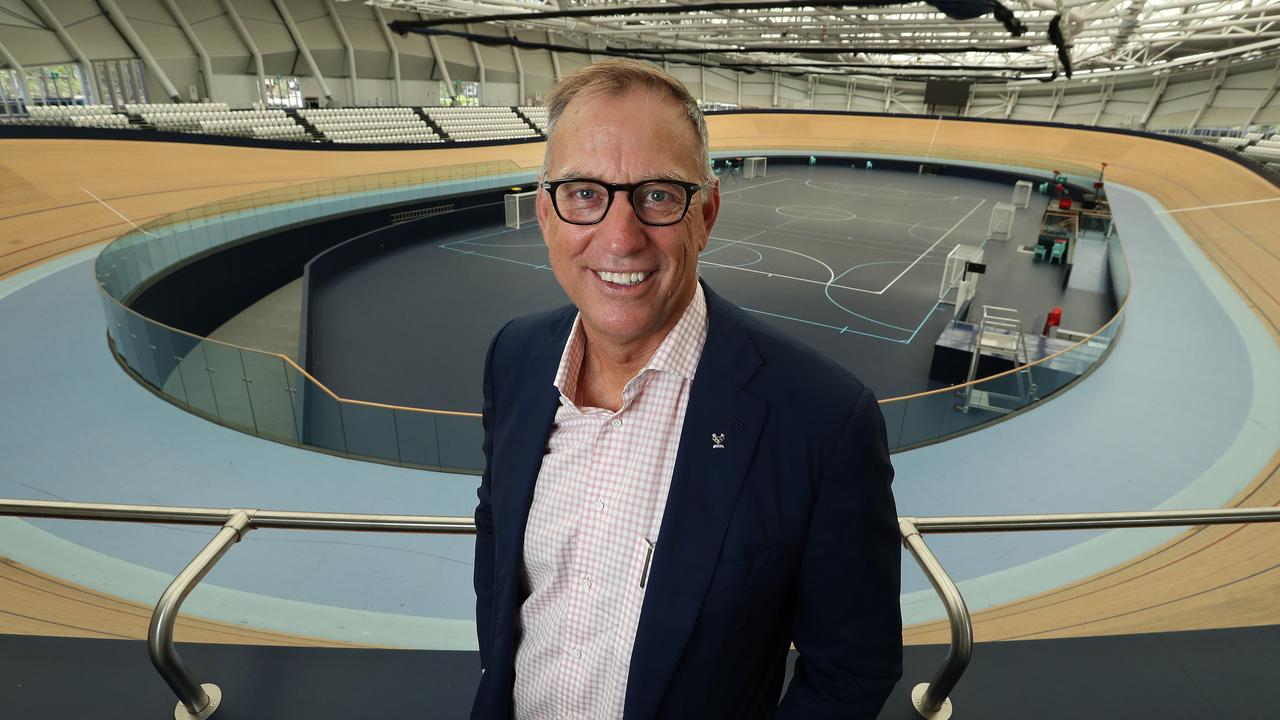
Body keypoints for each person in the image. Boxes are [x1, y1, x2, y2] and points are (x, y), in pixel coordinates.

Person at [472, 59, 901, 720]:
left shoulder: (822, 420)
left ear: (707, 213)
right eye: (585, 193)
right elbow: (497, 535)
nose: (620, 238)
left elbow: (851, 669)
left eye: (659, 195)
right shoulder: (514, 358)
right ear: (545, 213)